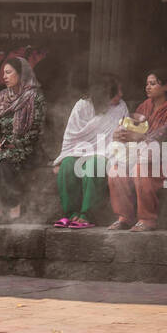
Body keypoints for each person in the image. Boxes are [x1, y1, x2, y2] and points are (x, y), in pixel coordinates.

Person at [107, 68, 167, 232]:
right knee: (115, 171)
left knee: (140, 170)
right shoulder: (143, 107)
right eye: (147, 84)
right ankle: (124, 217)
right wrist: (120, 132)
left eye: (153, 83)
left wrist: (141, 138)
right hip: (142, 154)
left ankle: (147, 219)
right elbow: (132, 126)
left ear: (166, 87)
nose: (148, 87)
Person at [52, 73, 127, 229]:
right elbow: (72, 134)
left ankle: (87, 215)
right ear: (105, 94)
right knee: (67, 165)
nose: (121, 94)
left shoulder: (121, 107)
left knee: (94, 165)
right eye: (117, 90)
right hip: (80, 150)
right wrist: (63, 156)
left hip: (105, 152)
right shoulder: (82, 105)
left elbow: (121, 136)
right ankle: (71, 214)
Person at [0, 56, 44, 223]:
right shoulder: (1, 97)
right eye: (3, 73)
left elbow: (36, 129)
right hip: (3, 145)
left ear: (21, 74)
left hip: (26, 145)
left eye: (8, 73)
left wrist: (16, 143)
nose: (4, 77)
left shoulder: (35, 97)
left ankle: (15, 206)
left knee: (7, 162)